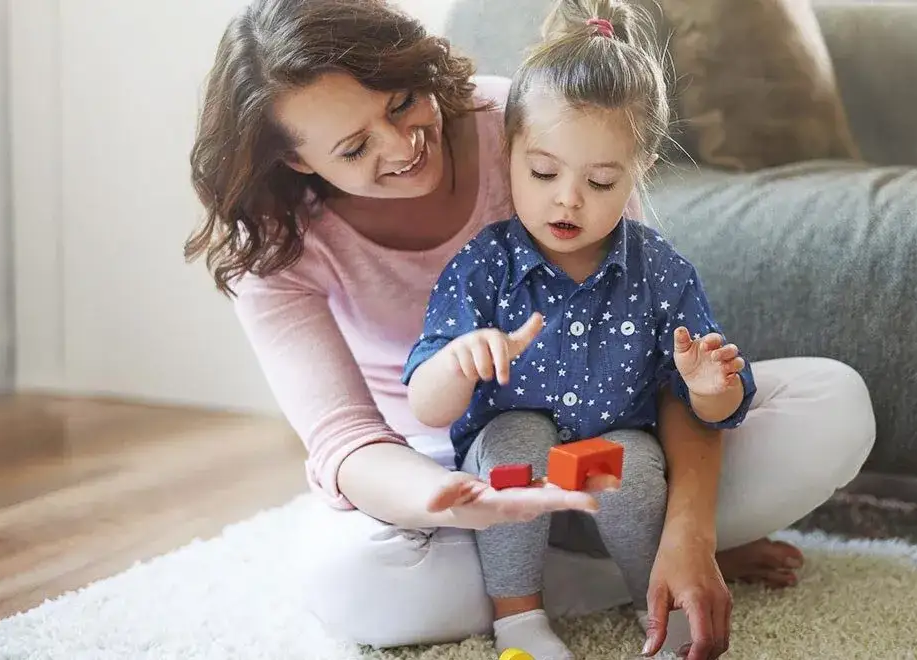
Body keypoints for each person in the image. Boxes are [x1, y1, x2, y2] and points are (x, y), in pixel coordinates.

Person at [185, 0, 877, 658]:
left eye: (401, 102)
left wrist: (689, 531)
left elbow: (658, 348)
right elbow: (349, 445)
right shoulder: (271, 247)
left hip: (619, 435)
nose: (404, 145)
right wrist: (455, 504)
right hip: (442, 457)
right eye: (356, 144)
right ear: (299, 161)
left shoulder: (533, 124)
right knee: (359, 585)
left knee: (834, 403)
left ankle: (645, 557)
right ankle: (581, 579)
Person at [400, 5, 762, 658]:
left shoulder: (660, 270)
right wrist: (460, 360)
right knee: (516, 438)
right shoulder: (486, 264)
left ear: (640, 168)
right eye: (544, 174)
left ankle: (650, 598)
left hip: (614, 463)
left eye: (600, 182)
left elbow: (715, 411)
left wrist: (710, 387)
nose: (568, 199)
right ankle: (518, 619)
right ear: (507, 155)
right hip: (513, 474)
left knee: (638, 462)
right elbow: (424, 405)